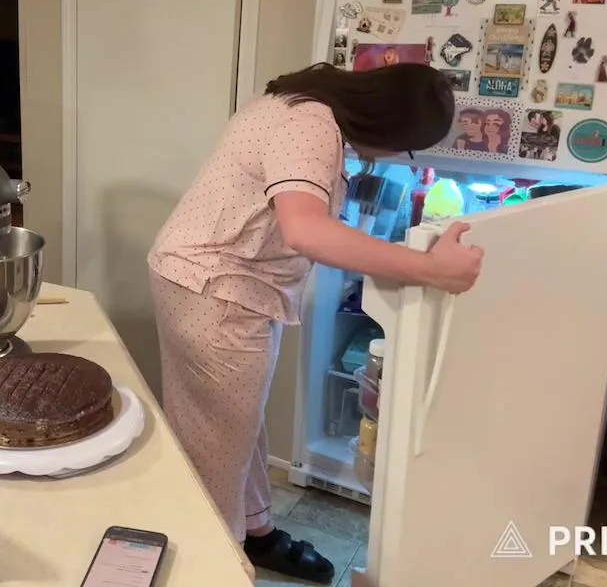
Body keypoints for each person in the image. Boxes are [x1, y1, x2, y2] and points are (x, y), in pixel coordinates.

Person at [147, 62, 484, 583]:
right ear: (387, 125)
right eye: (406, 147)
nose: (397, 156)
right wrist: (431, 270)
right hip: (216, 290)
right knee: (214, 444)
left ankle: (256, 532)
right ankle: (215, 565)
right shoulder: (310, 124)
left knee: (234, 424)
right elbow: (305, 229)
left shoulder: (301, 101)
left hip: (219, 283)